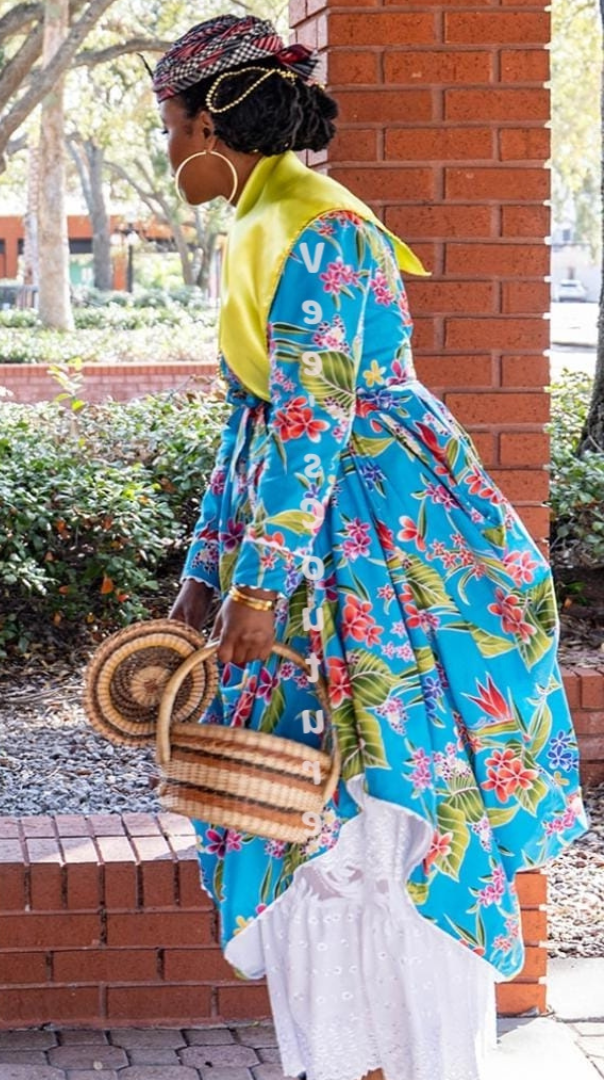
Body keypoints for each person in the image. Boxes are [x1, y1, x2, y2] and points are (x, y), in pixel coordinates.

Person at [154, 14, 590, 1080]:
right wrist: (203, 578)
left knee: (382, 810)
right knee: (312, 812)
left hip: (383, 553)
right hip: (322, 542)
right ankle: (350, 1058)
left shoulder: (320, 228)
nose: (165, 151)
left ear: (213, 117)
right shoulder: (262, 224)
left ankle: (400, 1061)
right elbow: (256, 422)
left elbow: (316, 422)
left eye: (168, 123)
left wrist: (255, 588)